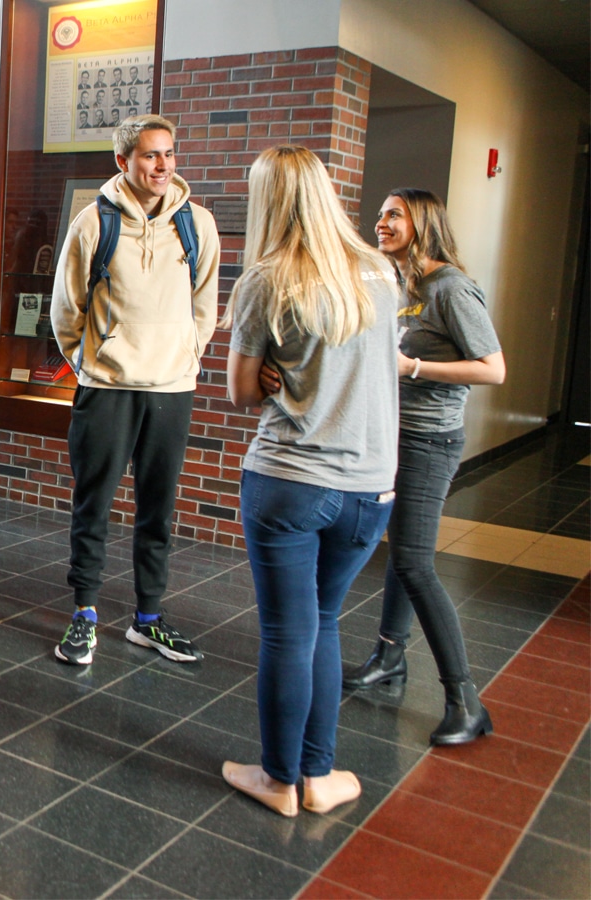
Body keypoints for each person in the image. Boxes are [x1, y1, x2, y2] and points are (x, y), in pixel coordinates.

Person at [221, 145, 401, 818]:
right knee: (325, 624)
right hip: (370, 489)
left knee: (288, 633)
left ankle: (277, 780)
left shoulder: (268, 279)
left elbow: (242, 389)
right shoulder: (381, 273)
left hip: (291, 480)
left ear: (268, 200)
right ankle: (319, 777)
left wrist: (271, 371)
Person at [48, 114, 220, 667]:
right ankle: (85, 615)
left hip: (172, 388)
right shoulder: (94, 224)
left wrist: (185, 358)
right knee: (93, 505)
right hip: (108, 388)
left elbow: (204, 306)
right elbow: (65, 309)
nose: (163, 165)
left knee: (158, 510)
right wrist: (92, 362)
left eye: (169, 153)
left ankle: (148, 619)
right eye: (150, 155)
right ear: (123, 162)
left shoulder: (198, 224)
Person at [341, 188, 505, 745]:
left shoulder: (452, 289)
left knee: (414, 563)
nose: (380, 222)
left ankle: (465, 701)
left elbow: (493, 369)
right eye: (381, 214)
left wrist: (413, 368)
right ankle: (389, 656)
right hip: (394, 437)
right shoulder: (400, 285)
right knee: (402, 554)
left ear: (423, 222)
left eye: (394, 215)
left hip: (431, 442)